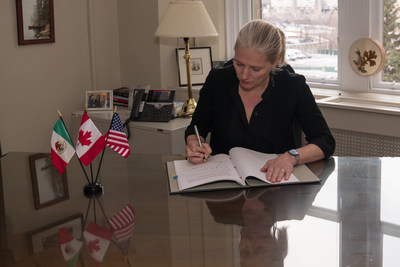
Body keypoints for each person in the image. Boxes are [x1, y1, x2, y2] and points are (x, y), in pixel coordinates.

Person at [185, 19, 335, 183]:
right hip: (225, 188)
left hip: (278, 188)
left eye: (256, 69)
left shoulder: (292, 86)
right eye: (239, 63)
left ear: (274, 62)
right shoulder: (218, 80)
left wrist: (291, 157)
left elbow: (325, 141)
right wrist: (195, 144)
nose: (243, 75)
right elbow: (195, 129)